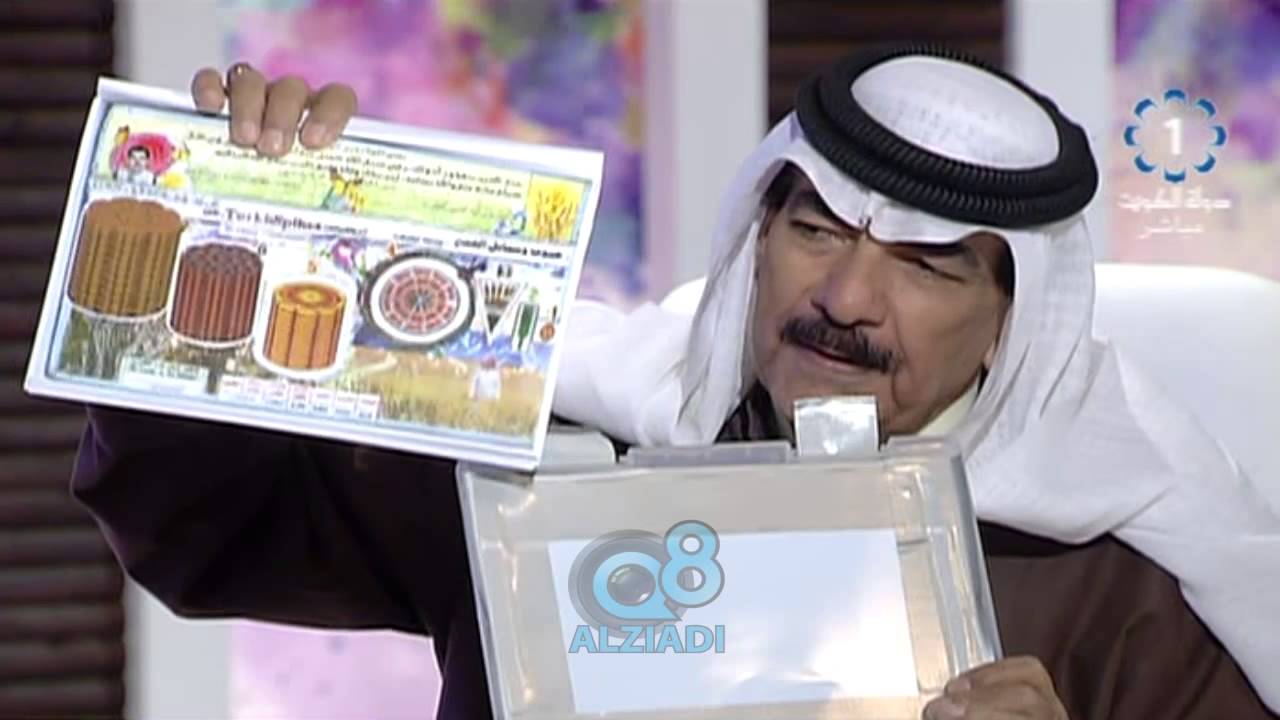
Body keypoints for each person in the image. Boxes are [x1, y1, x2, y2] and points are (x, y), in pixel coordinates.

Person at [72, 48, 1280, 719]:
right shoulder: (556, 445)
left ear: (1013, 317)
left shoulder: (1118, 582)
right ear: (755, 237)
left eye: (922, 267)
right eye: (815, 230)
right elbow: (207, 534)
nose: (845, 299)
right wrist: (227, 219)